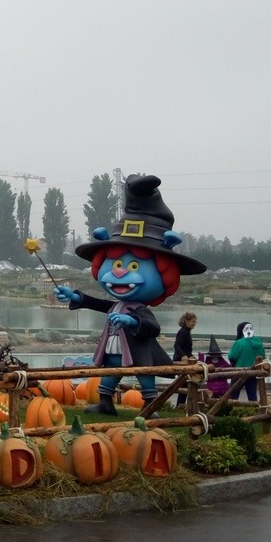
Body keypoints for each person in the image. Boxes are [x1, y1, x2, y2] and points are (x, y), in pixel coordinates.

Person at [54, 174, 207, 417]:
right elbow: (101, 304)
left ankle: (150, 405)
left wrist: (132, 321)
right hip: (114, 348)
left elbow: (152, 327)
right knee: (110, 373)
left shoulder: (138, 308)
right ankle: (106, 402)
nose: (121, 271)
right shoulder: (117, 305)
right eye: (114, 264)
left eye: (135, 266)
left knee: (143, 374)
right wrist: (76, 297)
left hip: (137, 351)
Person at [228, 321, 267, 401]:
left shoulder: (239, 343)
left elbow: (232, 356)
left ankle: (232, 411)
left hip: (239, 372)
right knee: (252, 395)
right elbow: (263, 357)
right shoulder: (259, 342)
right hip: (254, 372)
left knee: (233, 395)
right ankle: (255, 410)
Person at [171, 312, 197, 405]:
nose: (194, 323)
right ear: (186, 321)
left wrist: (191, 356)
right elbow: (177, 345)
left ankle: (181, 404)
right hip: (180, 360)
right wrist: (183, 355)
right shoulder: (182, 332)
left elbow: (187, 348)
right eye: (192, 321)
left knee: (186, 384)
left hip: (186, 359)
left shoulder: (187, 332)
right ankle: (180, 405)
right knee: (184, 383)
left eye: (195, 321)